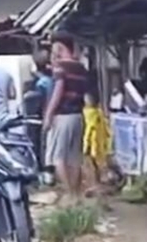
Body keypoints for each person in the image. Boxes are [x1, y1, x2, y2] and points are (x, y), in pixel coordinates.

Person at [43, 33, 88, 203]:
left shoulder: (60, 67)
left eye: (54, 47)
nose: (52, 51)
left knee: (58, 158)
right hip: (78, 115)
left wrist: (48, 116)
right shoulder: (81, 67)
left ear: (60, 47)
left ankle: (69, 195)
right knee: (74, 158)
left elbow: (57, 93)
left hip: (62, 116)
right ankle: (76, 194)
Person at [82, 91, 110, 196]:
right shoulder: (99, 112)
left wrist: (86, 144)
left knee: (91, 164)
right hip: (98, 142)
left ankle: (95, 184)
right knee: (96, 163)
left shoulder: (89, 113)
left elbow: (89, 129)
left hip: (91, 143)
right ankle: (97, 183)